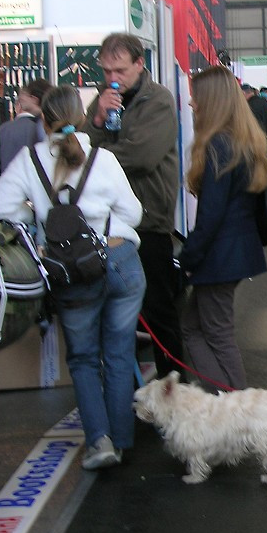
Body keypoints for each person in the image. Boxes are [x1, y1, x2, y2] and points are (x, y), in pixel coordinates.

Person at [0, 85, 145, 470]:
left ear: (42, 119)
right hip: (120, 260)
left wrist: (45, 225)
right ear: (81, 117)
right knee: (118, 353)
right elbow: (133, 212)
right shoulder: (103, 157)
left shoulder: (29, 160)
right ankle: (124, 438)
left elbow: (7, 211)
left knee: (81, 358)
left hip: (70, 271)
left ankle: (101, 442)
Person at [82, 32, 183, 380]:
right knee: (116, 316)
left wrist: (97, 158)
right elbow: (79, 148)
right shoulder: (104, 97)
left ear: (140, 64)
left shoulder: (158, 101)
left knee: (159, 312)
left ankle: (178, 390)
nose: (112, 77)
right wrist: (96, 121)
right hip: (108, 226)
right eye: (106, 69)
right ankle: (128, 394)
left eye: (120, 70)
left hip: (149, 221)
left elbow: (141, 156)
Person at [179, 65, 267, 394]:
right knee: (194, 327)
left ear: (211, 101)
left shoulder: (218, 146)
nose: (191, 104)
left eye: (196, 97)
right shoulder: (242, 141)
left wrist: (187, 258)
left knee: (215, 333)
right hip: (232, 254)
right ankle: (227, 400)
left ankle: (235, 407)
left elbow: (210, 216)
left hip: (218, 257)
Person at [0, 78, 52, 172]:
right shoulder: (50, 129)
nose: (21, 97)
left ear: (34, 100)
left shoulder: (4, 130)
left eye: (25, 94)